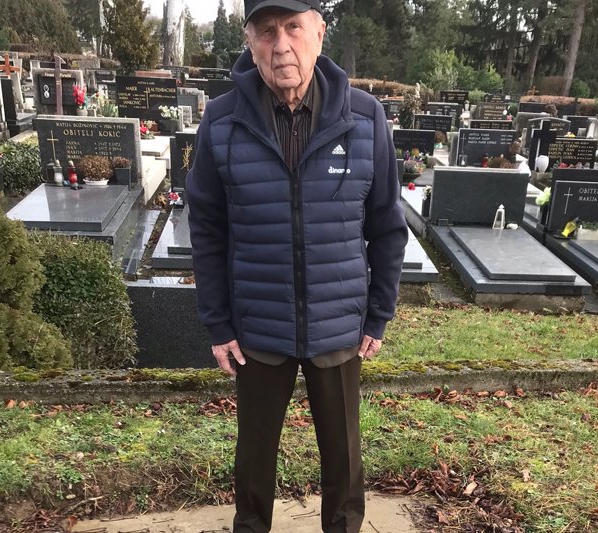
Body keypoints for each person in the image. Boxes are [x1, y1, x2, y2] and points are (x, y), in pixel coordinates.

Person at [185, 0, 408, 531]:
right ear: (249, 42)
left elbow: (386, 223)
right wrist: (218, 324)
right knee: (255, 452)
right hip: (259, 323)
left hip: (338, 321)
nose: (281, 45)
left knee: (344, 454)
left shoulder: (363, 117)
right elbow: (208, 228)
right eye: (266, 31)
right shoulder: (222, 120)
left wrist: (379, 314)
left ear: (319, 33)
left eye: (293, 27)